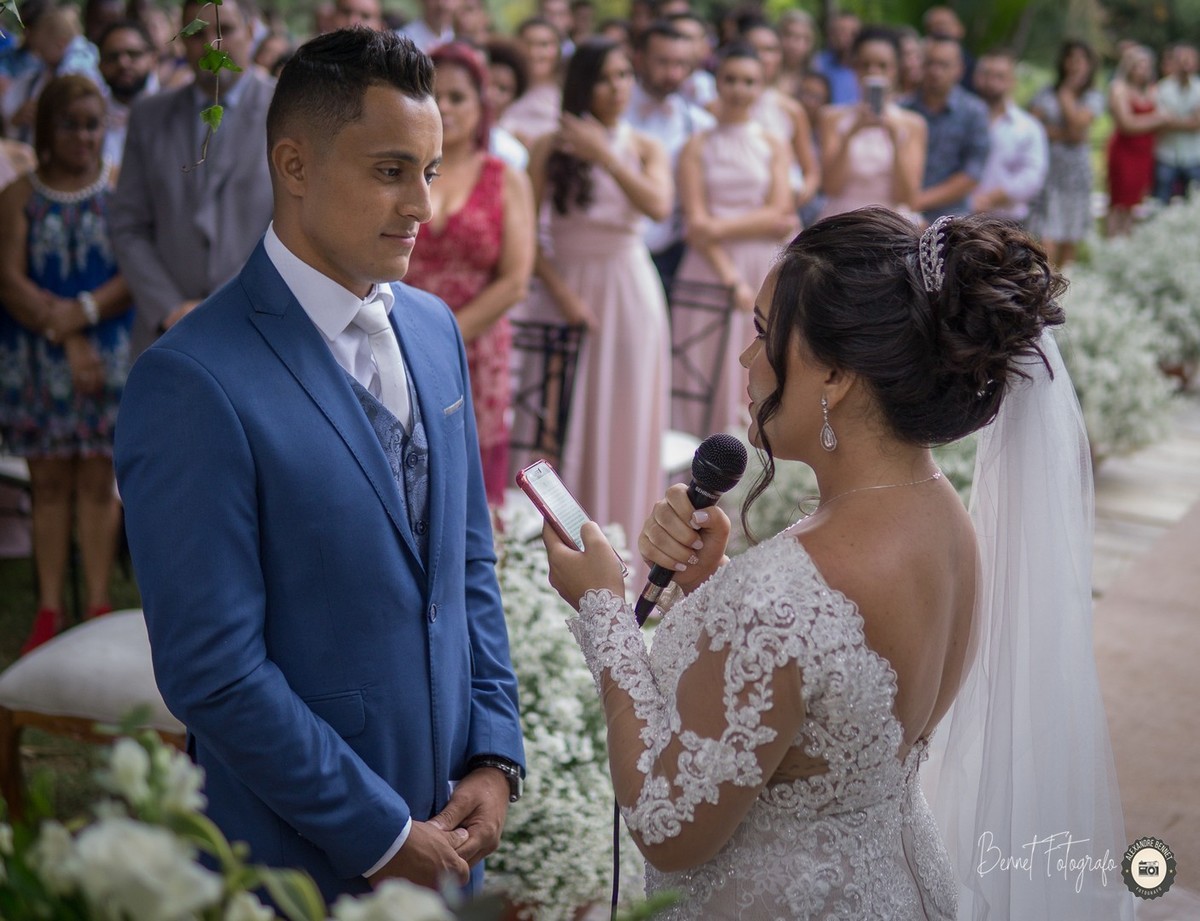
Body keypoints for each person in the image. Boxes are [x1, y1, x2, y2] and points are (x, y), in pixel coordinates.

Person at [540, 207, 1134, 919]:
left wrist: (604, 611)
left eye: (763, 335)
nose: (744, 361)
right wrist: (713, 589)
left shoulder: (781, 596)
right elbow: (834, 693)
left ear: (837, 373)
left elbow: (670, 827)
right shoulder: (949, 524)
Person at [114, 28, 524, 902]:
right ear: (293, 165)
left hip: (450, 834)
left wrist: (493, 751)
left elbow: (468, 564)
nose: (422, 203)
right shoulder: (191, 381)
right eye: (389, 170)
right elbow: (213, 670)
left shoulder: (434, 328)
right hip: (293, 860)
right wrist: (378, 831)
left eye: (430, 169)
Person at [525, 36, 671, 565]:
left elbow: (658, 205)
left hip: (629, 289)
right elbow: (524, 233)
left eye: (625, 75)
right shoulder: (547, 147)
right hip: (564, 291)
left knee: (627, 411)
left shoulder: (645, 146)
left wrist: (605, 155)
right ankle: (564, 541)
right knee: (555, 418)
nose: (618, 88)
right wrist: (558, 290)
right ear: (582, 84)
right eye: (606, 77)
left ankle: (629, 541)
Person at [0, 75, 132, 652]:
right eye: (69, 124)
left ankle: (98, 606)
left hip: (109, 358)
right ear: (47, 128)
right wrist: (68, 335)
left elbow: (132, 274)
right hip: (35, 357)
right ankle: (50, 609)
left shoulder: (118, 187)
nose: (82, 135)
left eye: (92, 123)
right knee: (48, 483)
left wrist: (80, 317)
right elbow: (7, 279)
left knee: (99, 481)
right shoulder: (19, 195)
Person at [404, 43, 535, 504]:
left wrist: (445, 337)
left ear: (483, 104)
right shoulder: (400, 173)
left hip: (474, 350)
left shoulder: (505, 177)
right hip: (396, 338)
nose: (443, 107)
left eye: (457, 97)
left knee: (467, 489)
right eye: (433, 95)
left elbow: (515, 280)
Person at [109, 0, 274, 359]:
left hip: (260, 330)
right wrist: (169, 307)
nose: (212, 44)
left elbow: (297, 225)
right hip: (167, 334)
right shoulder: (148, 116)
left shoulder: (287, 109)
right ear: (182, 40)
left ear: (250, 32)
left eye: (225, 29)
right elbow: (127, 226)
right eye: (198, 33)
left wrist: (230, 305)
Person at [672, 43, 795, 436]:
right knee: (704, 370)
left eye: (749, 81)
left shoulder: (773, 143)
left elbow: (781, 212)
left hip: (763, 265)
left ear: (762, 86)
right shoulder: (696, 146)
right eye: (730, 79)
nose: (739, 89)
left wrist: (716, 226)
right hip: (710, 268)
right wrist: (729, 276)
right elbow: (695, 224)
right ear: (716, 82)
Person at [625, 20, 715, 294]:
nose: (674, 73)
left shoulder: (699, 124)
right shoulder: (613, 112)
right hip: (617, 250)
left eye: (681, 64)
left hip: (671, 254)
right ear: (639, 60)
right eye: (663, 62)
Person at [817, 26, 926, 220]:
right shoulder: (831, 118)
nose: (873, 72)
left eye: (883, 66)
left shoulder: (913, 124)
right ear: (854, 67)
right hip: (842, 220)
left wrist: (894, 138)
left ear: (896, 70)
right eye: (865, 65)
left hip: (891, 223)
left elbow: (908, 197)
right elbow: (830, 187)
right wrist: (851, 132)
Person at [1028, 40, 1103, 266]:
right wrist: (1067, 134)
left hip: (1075, 174)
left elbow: (1078, 125)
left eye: (1080, 59)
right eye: (1070, 58)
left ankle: (1066, 284)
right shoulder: (1045, 92)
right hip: (1048, 170)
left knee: (1070, 232)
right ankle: (1044, 282)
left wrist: (1066, 94)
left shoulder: (1093, 97)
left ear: (1089, 65)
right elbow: (1032, 126)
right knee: (1045, 232)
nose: (1074, 64)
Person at [904, 35, 990, 222]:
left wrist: (917, 201)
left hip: (952, 219)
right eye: (930, 63)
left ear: (959, 70)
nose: (935, 71)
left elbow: (971, 174)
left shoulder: (974, 112)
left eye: (944, 65)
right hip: (902, 214)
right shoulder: (901, 108)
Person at [970, 47, 1047, 223]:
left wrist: (989, 198)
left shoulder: (1028, 127)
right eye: (986, 74)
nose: (991, 82)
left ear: (1012, 81)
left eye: (1000, 76)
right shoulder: (959, 118)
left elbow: (1032, 176)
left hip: (1006, 223)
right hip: (956, 218)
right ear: (975, 77)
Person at [1105, 44, 1163, 235]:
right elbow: (1127, 124)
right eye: (1139, 65)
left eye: (1146, 66)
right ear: (1129, 67)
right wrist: (1158, 119)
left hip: (1144, 153)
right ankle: (1112, 242)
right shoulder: (1119, 88)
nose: (1143, 71)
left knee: (1135, 203)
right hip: (1124, 152)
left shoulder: (1152, 91)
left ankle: (1127, 242)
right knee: (1118, 202)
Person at [95, 19, 158, 167]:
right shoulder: (91, 116)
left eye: (133, 54)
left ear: (153, 59)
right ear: (100, 65)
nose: (123, 63)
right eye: (113, 57)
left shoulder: (173, 111)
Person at [498, 17, 562, 148]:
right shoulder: (500, 86)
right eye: (527, 44)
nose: (534, 53)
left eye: (543, 45)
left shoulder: (566, 92)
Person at [1152, 42, 1200, 203]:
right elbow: (1161, 123)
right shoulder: (1162, 88)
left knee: (1194, 204)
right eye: (1182, 59)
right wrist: (1189, 120)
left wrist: (1173, 121)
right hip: (1167, 156)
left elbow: (1197, 124)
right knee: (1161, 202)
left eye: (1189, 59)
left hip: (1194, 155)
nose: (1185, 63)